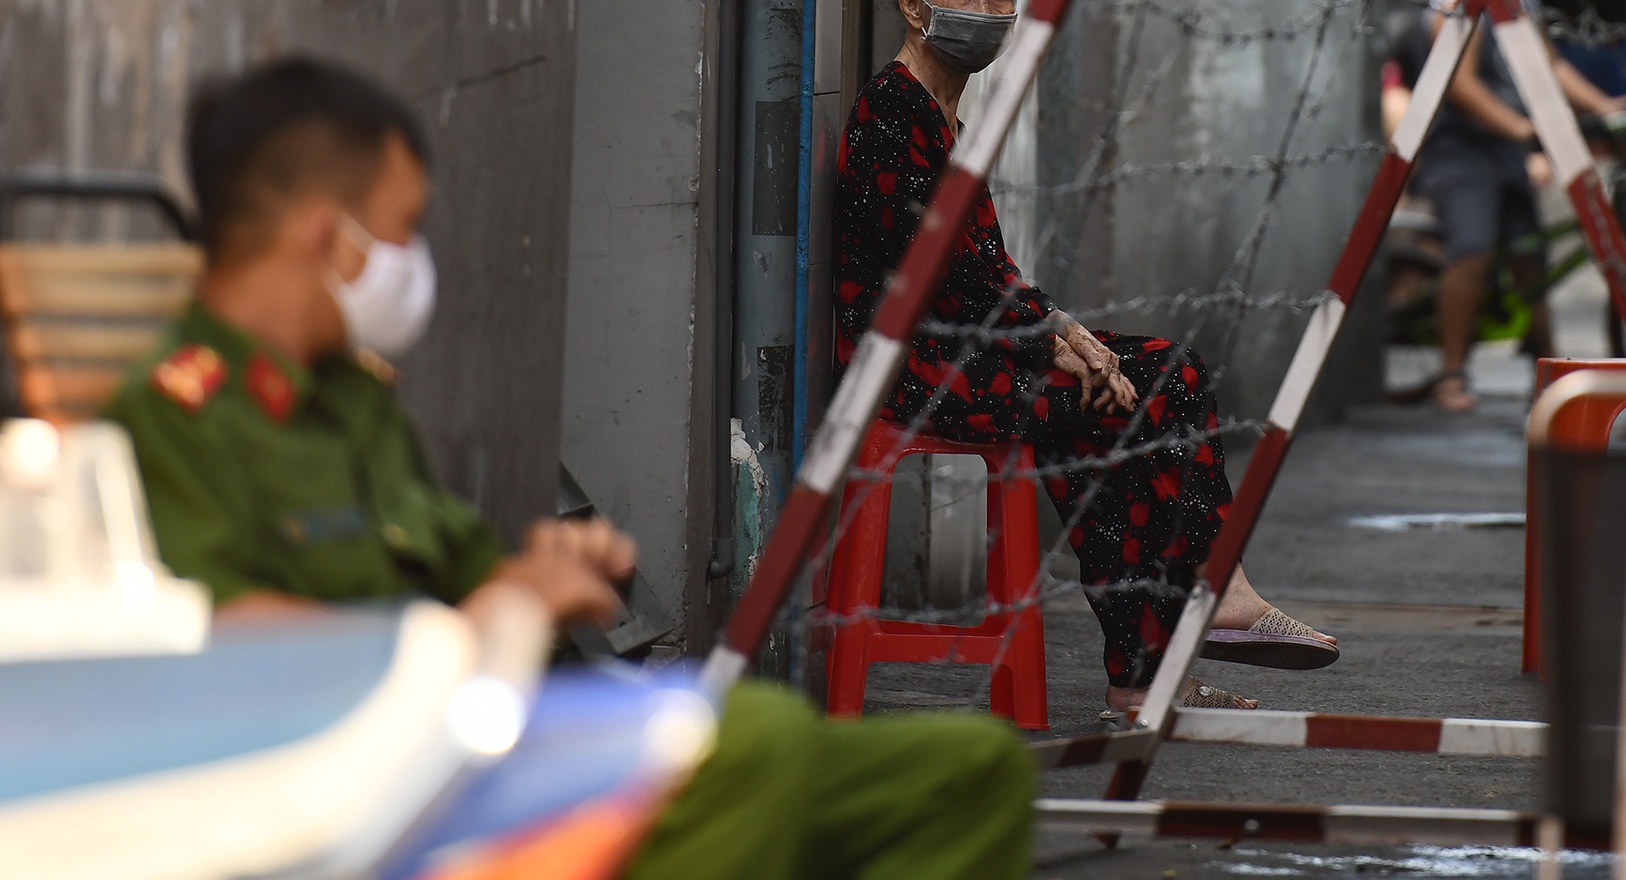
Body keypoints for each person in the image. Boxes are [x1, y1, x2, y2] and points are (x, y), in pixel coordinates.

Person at [104, 57, 1031, 880]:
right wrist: (480, 626)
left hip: (473, 740)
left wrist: (542, 574)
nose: (411, 263)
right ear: (324, 237)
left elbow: (469, 573)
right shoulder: (160, 422)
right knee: (758, 737)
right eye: (400, 230)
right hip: (364, 786)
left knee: (967, 773)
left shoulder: (349, 399)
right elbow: (212, 640)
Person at [833, 0, 1339, 722]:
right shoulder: (896, 111)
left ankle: (1159, 658)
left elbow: (985, 269)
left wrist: (1065, 338)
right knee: (1153, 388)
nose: (986, 9)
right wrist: (1057, 339)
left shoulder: (942, 112)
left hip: (967, 350)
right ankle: (1200, 607)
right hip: (916, 369)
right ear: (913, 4)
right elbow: (948, 273)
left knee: (1145, 388)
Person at [1414, 0, 1626, 414]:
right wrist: (1522, 129)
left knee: (1530, 259)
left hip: (1509, 148)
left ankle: (1548, 372)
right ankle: (1452, 372)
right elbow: (1460, 83)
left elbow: (1549, 65)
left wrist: (1606, 107)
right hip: (1461, 150)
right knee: (1472, 250)